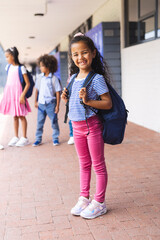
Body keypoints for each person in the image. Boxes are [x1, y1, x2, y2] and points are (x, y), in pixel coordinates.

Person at [61, 33, 112, 219]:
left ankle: (99, 202)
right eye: (75, 54)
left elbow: (107, 103)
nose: (80, 57)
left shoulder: (96, 78)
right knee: (84, 164)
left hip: (92, 127)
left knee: (98, 165)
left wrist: (88, 100)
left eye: (84, 53)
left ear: (92, 53)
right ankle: (84, 197)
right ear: (72, 57)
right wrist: (67, 97)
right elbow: (73, 103)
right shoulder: (73, 78)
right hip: (77, 128)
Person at [0, 47, 31, 147]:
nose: (6, 59)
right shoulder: (8, 67)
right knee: (14, 116)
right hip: (11, 95)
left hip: (19, 95)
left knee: (21, 116)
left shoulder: (21, 68)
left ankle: (25, 138)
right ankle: (16, 136)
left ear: (13, 56)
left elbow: (27, 83)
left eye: (7, 57)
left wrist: (22, 95)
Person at [32, 54, 61, 147]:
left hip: (51, 104)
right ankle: (38, 139)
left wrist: (57, 106)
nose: (40, 68)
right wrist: (35, 101)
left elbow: (57, 92)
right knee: (39, 122)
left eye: (42, 66)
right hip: (41, 104)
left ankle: (55, 138)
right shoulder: (39, 77)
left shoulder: (54, 78)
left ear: (48, 66)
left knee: (54, 122)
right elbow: (37, 89)